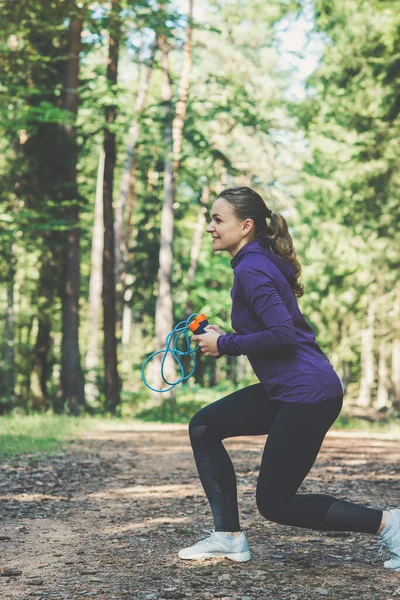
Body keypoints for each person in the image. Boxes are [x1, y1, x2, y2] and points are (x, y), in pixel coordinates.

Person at [178, 186, 400, 570]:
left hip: (307, 394)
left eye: (218, 219)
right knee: (204, 425)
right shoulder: (255, 260)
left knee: (276, 504)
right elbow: (273, 328)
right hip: (288, 389)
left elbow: (283, 334)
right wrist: (223, 337)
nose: (210, 227)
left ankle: (390, 524)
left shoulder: (251, 267)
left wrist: (225, 343)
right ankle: (228, 537)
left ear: (246, 226)